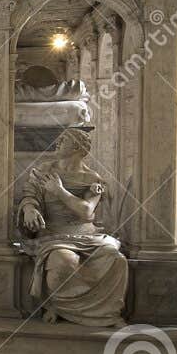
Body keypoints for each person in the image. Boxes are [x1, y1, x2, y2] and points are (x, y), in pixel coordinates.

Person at [18, 127, 128, 327]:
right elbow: (30, 196)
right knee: (64, 260)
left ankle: (108, 312)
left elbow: (86, 212)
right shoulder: (43, 171)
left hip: (87, 234)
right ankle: (58, 307)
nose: (57, 142)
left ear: (77, 147)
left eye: (64, 139)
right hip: (54, 233)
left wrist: (59, 191)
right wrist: (29, 209)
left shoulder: (92, 179)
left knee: (115, 258)